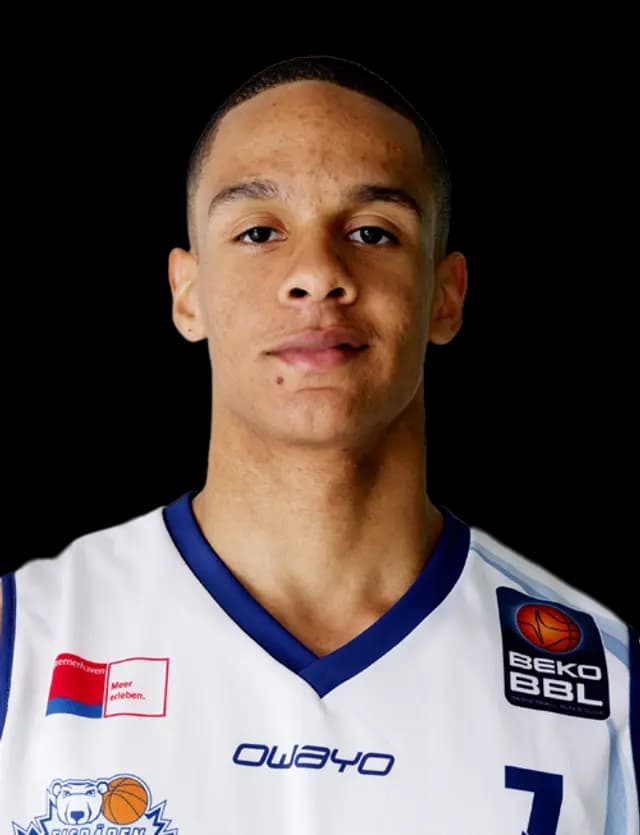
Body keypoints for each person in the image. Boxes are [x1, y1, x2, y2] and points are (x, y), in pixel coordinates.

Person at [1, 53, 637, 833]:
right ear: (187, 293)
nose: (316, 274)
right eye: (259, 231)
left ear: (445, 296)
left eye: (372, 232)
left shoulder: (609, 684)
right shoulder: (22, 640)